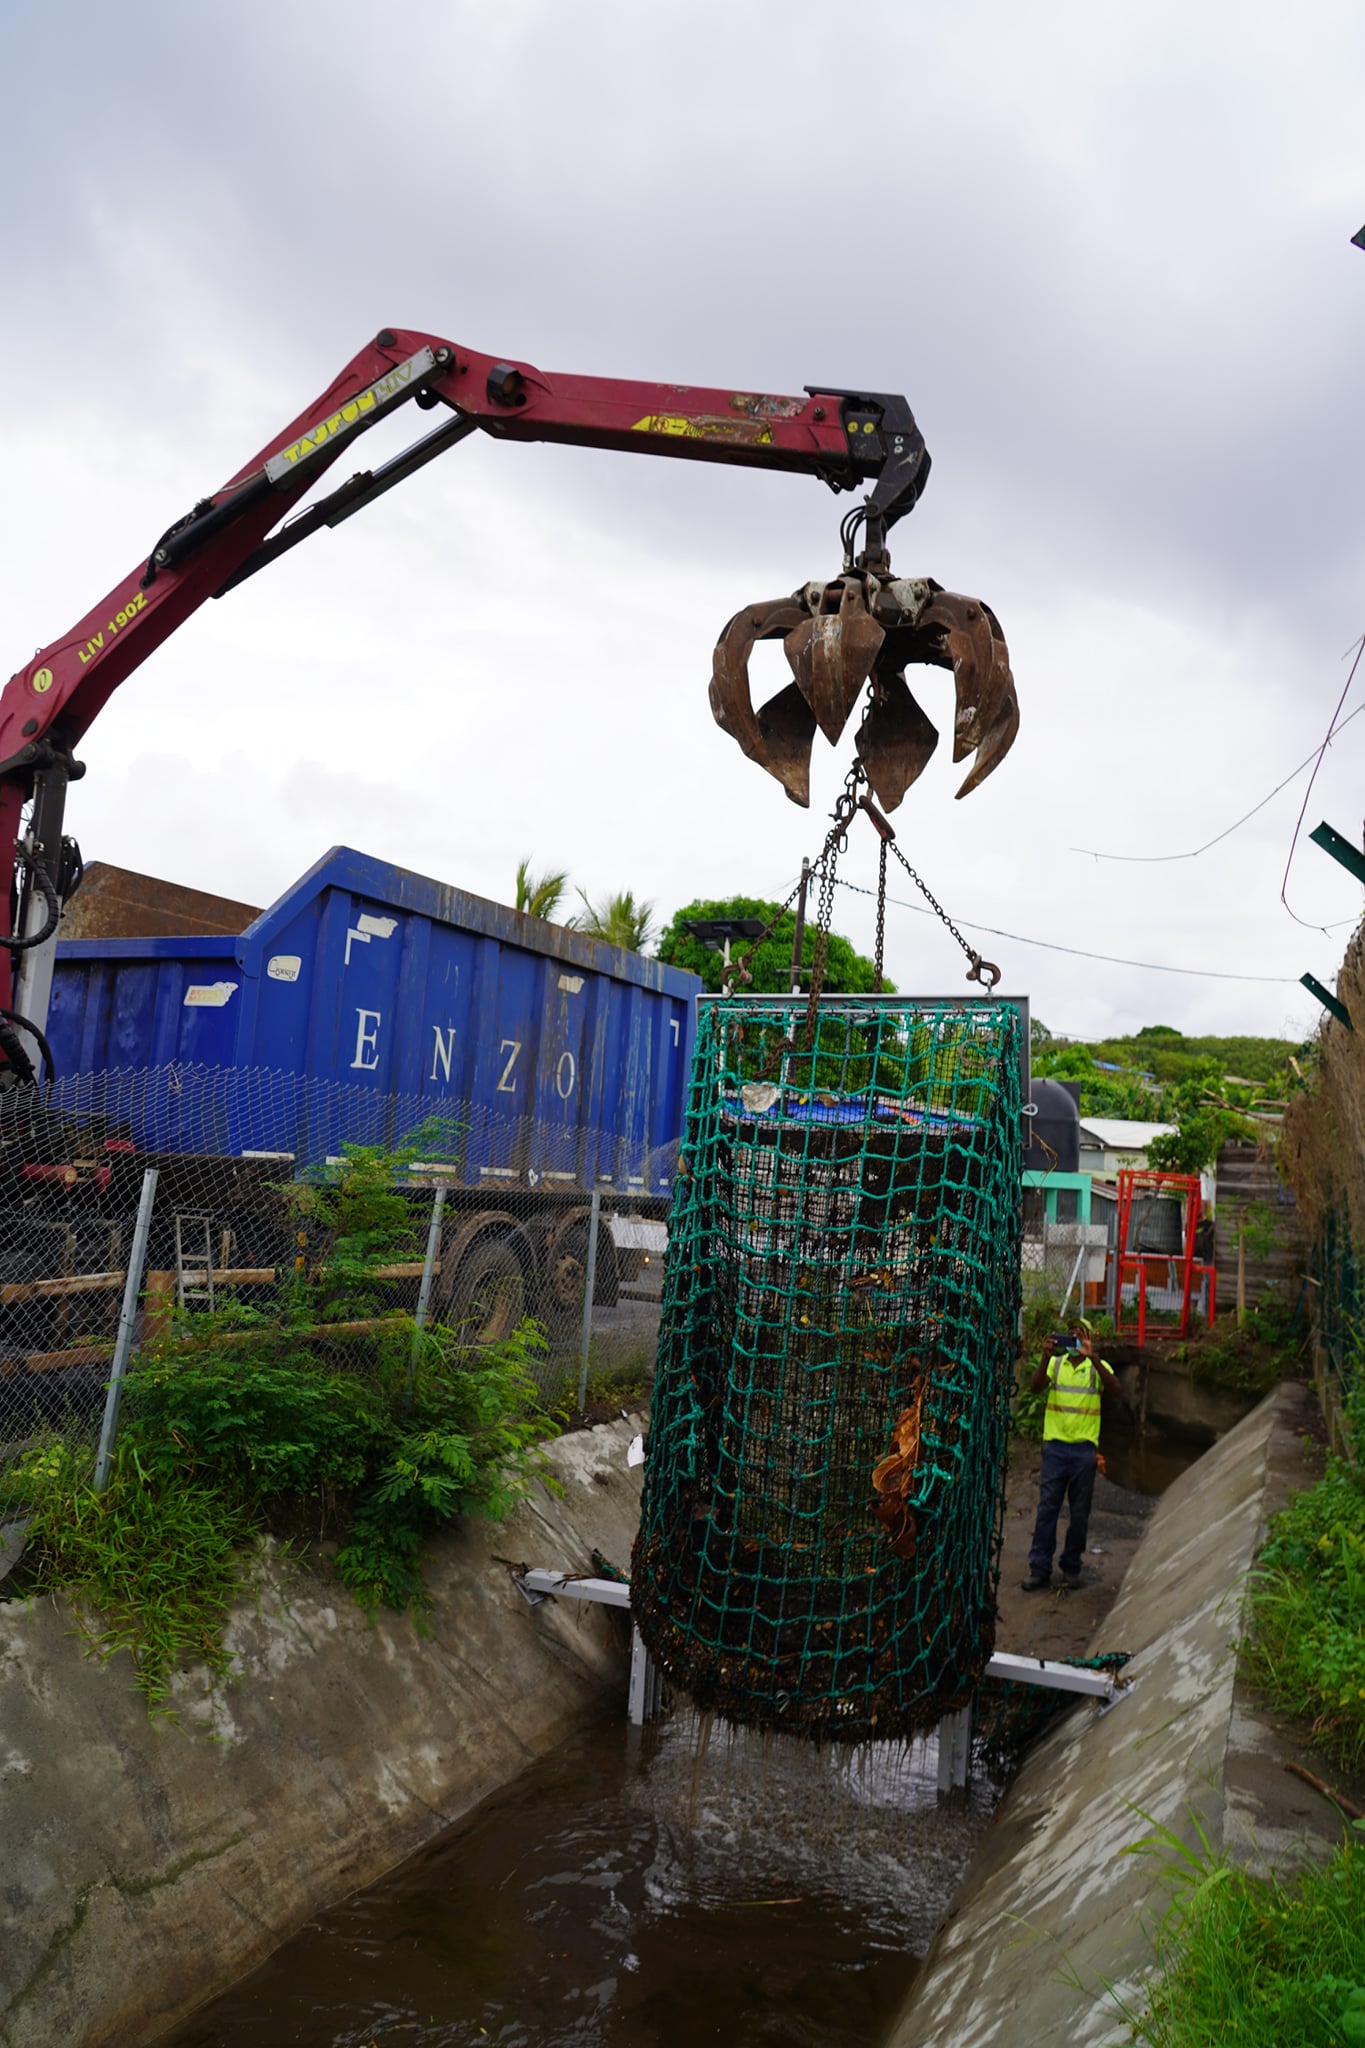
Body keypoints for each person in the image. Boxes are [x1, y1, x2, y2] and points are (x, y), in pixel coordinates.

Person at [1021, 1319, 1119, 1591]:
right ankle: (1039, 1568)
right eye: (1070, 1336)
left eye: (1079, 1336)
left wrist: (1094, 1357)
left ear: (1087, 1339)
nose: (1074, 1341)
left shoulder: (1096, 1368)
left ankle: (1071, 1567)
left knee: (1079, 1513)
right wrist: (1045, 1357)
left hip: (1084, 1451)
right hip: (1055, 1448)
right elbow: (1035, 1387)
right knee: (1047, 1509)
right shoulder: (1056, 1364)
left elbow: (1115, 1388)